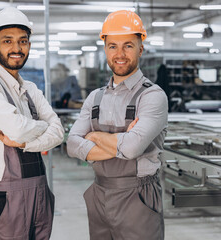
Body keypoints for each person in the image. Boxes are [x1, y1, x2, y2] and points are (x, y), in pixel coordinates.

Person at [67, 10, 168, 240]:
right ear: (105, 49)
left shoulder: (152, 96)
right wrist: (119, 142)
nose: (120, 54)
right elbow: (72, 145)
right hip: (99, 194)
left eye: (128, 46)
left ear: (140, 48)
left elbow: (132, 149)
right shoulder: (94, 98)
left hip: (138, 197)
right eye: (113, 46)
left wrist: (94, 137)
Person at [0, 7, 64, 240]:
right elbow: (17, 129)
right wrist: (43, 127)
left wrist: (25, 142)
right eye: (7, 41)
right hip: (6, 196)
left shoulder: (30, 88)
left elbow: (59, 132)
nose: (16, 48)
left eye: (23, 41)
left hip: (39, 191)